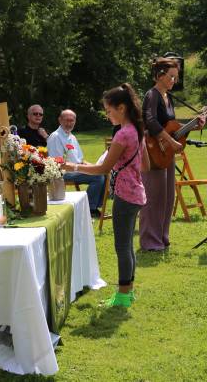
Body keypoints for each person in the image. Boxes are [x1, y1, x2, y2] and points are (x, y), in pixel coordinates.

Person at [62, 83, 149, 307]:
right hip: (136, 193)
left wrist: (71, 167)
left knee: (122, 246)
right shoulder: (137, 131)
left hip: (125, 196)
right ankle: (127, 292)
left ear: (121, 108)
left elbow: (102, 169)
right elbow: (146, 165)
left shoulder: (122, 134)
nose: (107, 115)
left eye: (109, 111)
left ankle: (122, 296)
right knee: (128, 245)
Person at [139, 57, 206, 251]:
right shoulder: (152, 95)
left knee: (167, 197)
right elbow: (150, 122)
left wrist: (194, 126)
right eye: (171, 77)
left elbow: (172, 128)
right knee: (153, 197)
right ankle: (150, 241)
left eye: (176, 77)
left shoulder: (168, 97)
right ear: (160, 75)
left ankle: (161, 237)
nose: (173, 81)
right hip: (152, 151)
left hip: (165, 151)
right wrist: (171, 141)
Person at [48, 109, 105, 217]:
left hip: (77, 168)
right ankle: (89, 209)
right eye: (66, 120)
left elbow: (81, 160)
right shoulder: (56, 136)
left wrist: (96, 167)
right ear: (60, 120)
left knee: (103, 172)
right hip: (64, 172)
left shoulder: (72, 136)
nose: (69, 123)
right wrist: (88, 169)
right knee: (98, 177)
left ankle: (95, 206)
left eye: (72, 120)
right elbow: (57, 163)